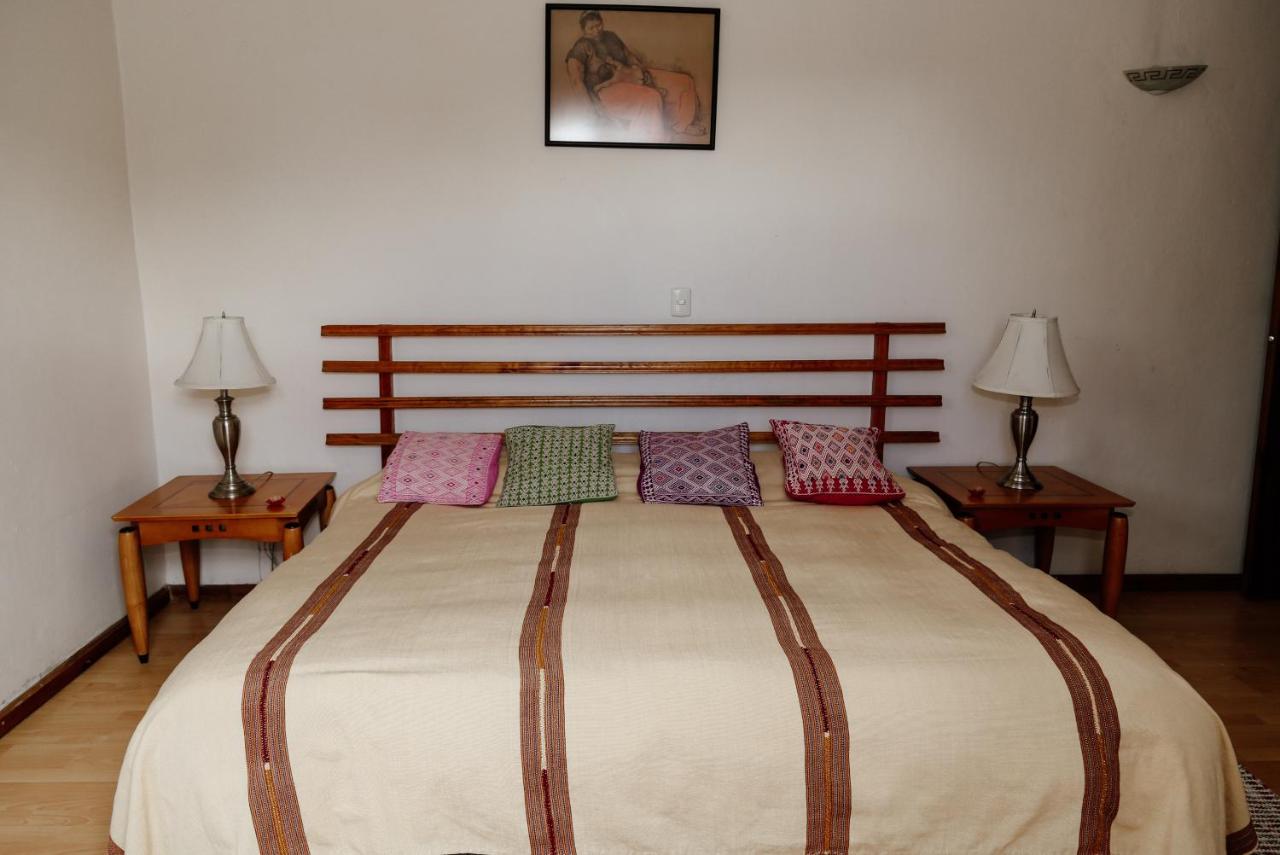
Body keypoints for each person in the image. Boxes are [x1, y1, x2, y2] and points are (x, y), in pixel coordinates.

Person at [564, 10, 706, 142]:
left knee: (683, 81)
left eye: (598, 25)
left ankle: (682, 124)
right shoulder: (580, 48)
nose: (597, 30)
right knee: (651, 97)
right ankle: (653, 139)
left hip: (630, 74)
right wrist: (592, 110)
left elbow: (629, 56)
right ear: (583, 30)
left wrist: (641, 71)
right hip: (607, 89)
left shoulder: (611, 36)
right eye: (591, 28)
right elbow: (576, 81)